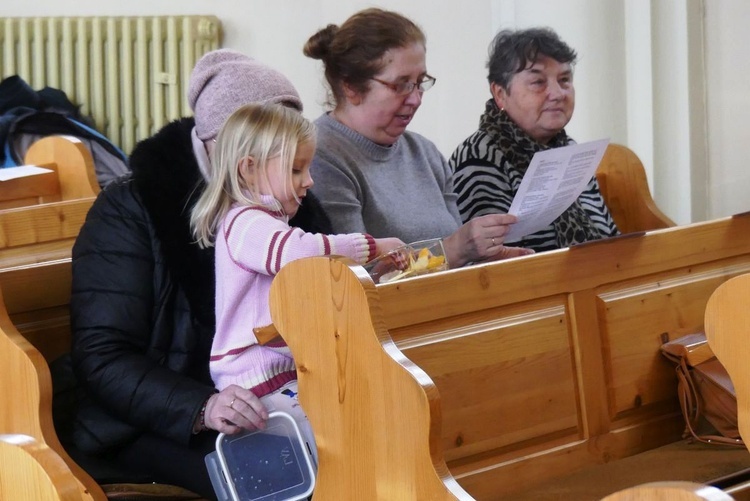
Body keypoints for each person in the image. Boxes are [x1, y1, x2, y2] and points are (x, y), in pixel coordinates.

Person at [62, 49, 331, 499]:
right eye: (277, 152)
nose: (300, 177)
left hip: (271, 401)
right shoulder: (132, 209)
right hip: (149, 422)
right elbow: (103, 354)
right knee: (281, 484)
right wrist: (202, 407)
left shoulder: (284, 198)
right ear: (233, 150)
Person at [189, 102, 403, 465]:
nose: (309, 181)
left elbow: (312, 281)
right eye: (296, 169)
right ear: (249, 169)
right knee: (348, 446)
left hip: (281, 370)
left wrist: (372, 272)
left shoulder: (265, 224)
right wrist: (369, 246)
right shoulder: (245, 222)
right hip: (257, 376)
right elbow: (298, 254)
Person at [303, 8, 533, 269]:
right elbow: (355, 278)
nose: (415, 98)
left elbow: (451, 264)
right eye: (401, 84)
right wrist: (454, 250)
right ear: (351, 87)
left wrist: (483, 258)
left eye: (420, 82)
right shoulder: (321, 156)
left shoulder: (424, 152)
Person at [449, 27, 619, 252]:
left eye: (564, 80)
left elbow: (609, 237)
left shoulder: (570, 149)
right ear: (500, 93)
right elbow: (495, 261)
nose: (558, 93)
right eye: (538, 82)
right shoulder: (479, 156)